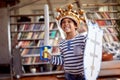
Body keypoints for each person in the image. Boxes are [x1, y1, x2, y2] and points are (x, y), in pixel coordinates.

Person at [47, 4, 87, 80]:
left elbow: (90, 56)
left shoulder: (83, 38)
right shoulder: (62, 43)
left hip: (83, 75)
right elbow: (62, 60)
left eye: (69, 21)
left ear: (75, 25)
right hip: (69, 76)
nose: (66, 24)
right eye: (63, 22)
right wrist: (50, 57)